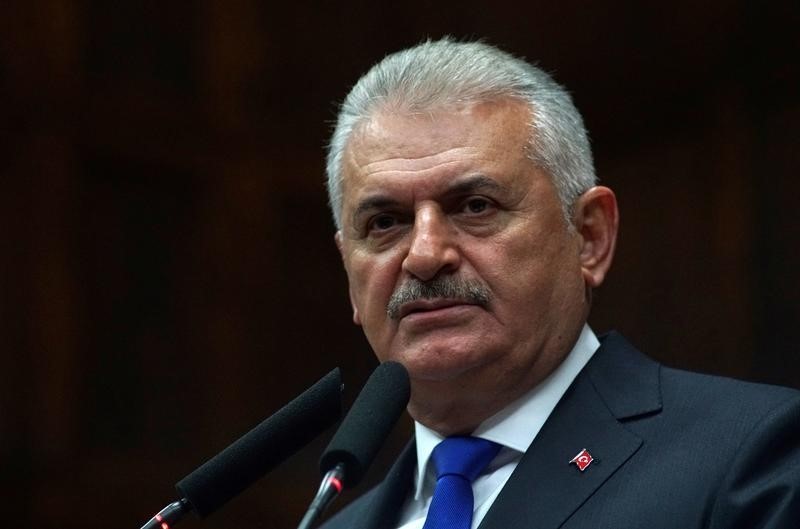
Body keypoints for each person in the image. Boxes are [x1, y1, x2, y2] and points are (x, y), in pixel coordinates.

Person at [319, 38, 800, 529]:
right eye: (385, 222)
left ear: (589, 236)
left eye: (475, 206)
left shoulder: (753, 458)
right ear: (349, 272)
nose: (423, 255)